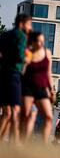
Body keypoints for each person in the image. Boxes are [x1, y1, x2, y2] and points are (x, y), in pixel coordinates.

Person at [0, 13, 32, 145]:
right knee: (14, 109)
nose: (30, 27)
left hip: (2, 74)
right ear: (22, 23)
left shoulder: (4, 35)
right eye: (29, 24)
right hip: (14, 74)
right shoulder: (21, 36)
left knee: (6, 111)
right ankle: (15, 142)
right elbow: (20, 56)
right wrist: (28, 58)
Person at [21, 31, 55, 143]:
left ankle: (43, 145)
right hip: (28, 88)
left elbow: (49, 73)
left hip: (41, 88)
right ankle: (23, 143)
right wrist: (26, 62)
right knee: (26, 116)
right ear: (33, 41)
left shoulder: (47, 52)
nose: (41, 43)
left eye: (42, 41)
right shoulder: (28, 53)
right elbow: (22, 71)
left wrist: (51, 90)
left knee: (49, 117)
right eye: (38, 41)